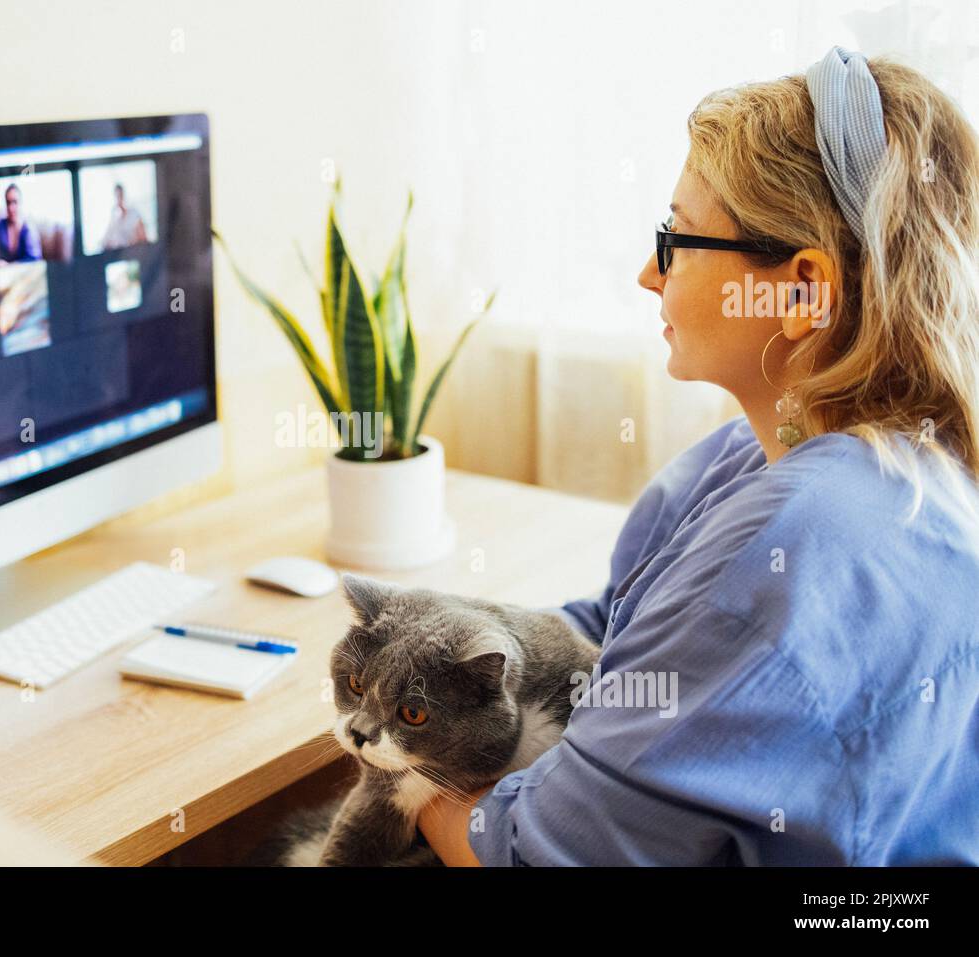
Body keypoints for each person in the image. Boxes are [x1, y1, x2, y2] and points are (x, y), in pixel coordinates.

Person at [417, 48, 979, 865]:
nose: (648, 273)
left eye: (674, 239)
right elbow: (609, 631)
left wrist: (401, 776)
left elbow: (529, 855)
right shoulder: (792, 453)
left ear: (800, 290)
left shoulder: (789, 541)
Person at [0, 183, 41, 267]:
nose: (11, 208)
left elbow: (34, 261)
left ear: (21, 203)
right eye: (8, 203)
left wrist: (8, 266)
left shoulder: (29, 229)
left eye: (15, 202)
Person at [101, 183, 148, 249]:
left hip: (138, 250)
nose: (119, 199)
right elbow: (107, 239)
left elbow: (142, 236)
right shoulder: (115, 217)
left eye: (121, 195)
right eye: (117, 196)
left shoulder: (134, 213)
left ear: (124, 195)